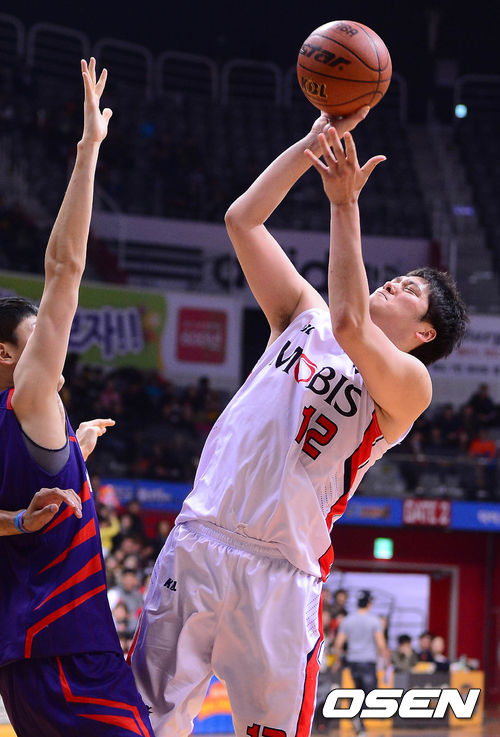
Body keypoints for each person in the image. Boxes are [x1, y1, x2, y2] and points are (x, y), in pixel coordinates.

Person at [129, 108, 468, 737]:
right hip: (200, 539)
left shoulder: (408, 384)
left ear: (424, 334)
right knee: (142, 723)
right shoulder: (303, 315)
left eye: (410, 292)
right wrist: (310, 145)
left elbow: (353, 325)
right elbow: (242, 220)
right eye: (399, 279)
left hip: (281, 573)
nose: (395, 284)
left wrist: (345, 205)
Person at [0, 59, 154, 737]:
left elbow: (22, 505)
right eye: (36, 337)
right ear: (8, 356)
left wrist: (71, 454)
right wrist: (89, 150)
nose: (53, 345)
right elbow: (64, 268)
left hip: (24, 658)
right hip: (71, 654)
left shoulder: (30, 422)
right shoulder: (30, 398)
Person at [333, 591, 389, 735]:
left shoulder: (348, 620)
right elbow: (381, 644)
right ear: (369, 603)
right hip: (368, 661)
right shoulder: (374, 620)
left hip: (353, 661)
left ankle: (359, 722)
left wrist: (339, 659)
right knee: (370, 693)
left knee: (358, 691)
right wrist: (387, 661)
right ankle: (357, 717)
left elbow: (338, 644)